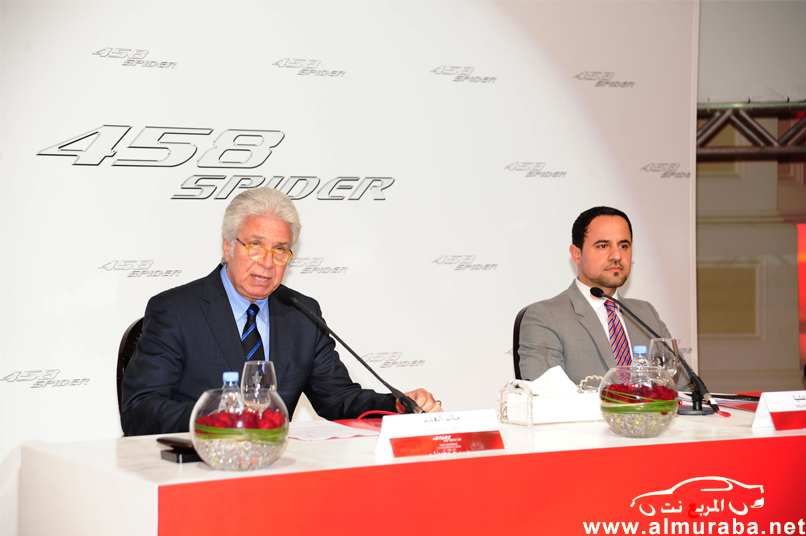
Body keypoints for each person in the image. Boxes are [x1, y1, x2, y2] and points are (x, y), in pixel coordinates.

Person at [121, 188, 441, 436]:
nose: (267, 262)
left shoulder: (302, 314)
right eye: (255, 246)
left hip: (278, 470)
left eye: (279, 250)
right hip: (198, 469)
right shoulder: (176, 311)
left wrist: (399, 406)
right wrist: (224, 419)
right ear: (228, 247)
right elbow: (140, 410)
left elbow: (339, 398)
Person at [517, 206, 672, 385]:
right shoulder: (545, 317)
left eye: (623, 246)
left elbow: (684, 387)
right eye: (603, 246)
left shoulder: (646, 313)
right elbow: (547, 394)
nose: (617, 256)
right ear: (577, 254)